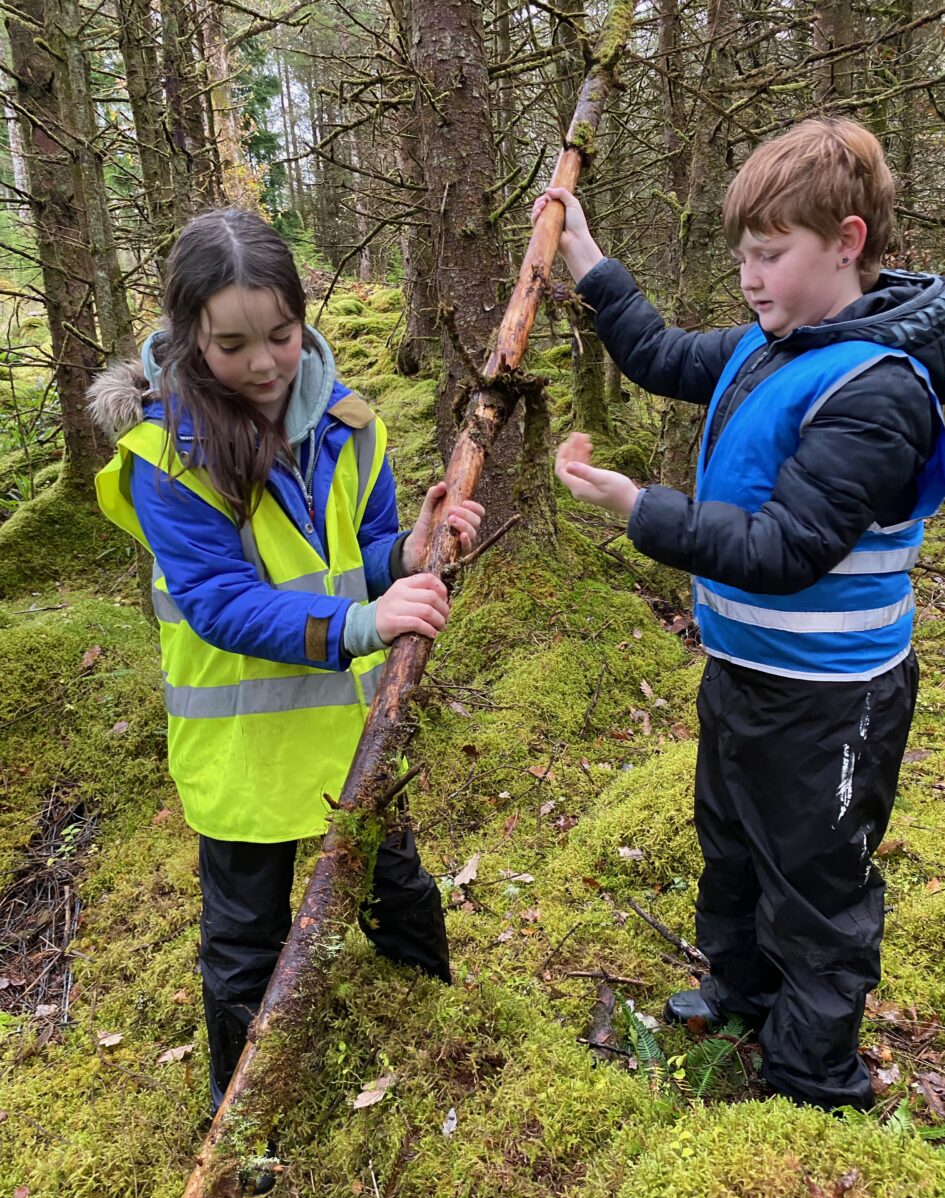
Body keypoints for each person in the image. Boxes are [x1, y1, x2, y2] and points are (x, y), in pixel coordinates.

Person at [534, 116, 945, 1111]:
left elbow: (785, 550)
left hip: (832, 701)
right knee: (731, 845)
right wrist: (589, 261)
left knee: (816, 889)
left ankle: (815, 1084)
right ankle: (739, 1000)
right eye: (744, 256)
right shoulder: (776, 342)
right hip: (746, 675)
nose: (751, 279)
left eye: (772, 255)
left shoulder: (876, 388)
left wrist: (643, 511)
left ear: (847, 241)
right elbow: (665, 354)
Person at [90, 208, 484, 1128]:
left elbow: (369, 549)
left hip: (354, 730)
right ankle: (243, 1125)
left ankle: (433, 1039)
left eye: (280, 334)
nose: (264, 363)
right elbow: (221, 603)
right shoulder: (164, 459)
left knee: (398, 888)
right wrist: (362, 617)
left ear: (302, 317)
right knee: (244, 943)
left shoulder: (351, 424)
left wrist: (414, 551)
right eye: (232, 344)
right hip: (243, 752)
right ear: (190, 337)